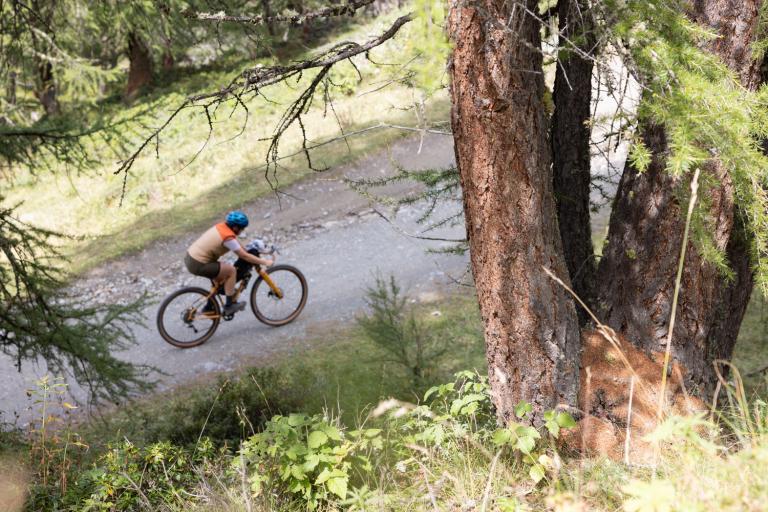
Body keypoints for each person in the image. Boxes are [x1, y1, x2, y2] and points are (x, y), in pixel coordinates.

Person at [185, 211, 275, 315]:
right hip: (198, 263)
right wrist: (265, 262)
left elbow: (238, 245)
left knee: (220, 281)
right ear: (235, 227)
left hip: (191, 258)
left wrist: (253, 250)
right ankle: (229, 306)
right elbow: (244, 256)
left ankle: (209, 307)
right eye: (242, 228)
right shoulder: (227, 237)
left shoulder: (222, 227)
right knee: (231, 271)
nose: (242, 231)